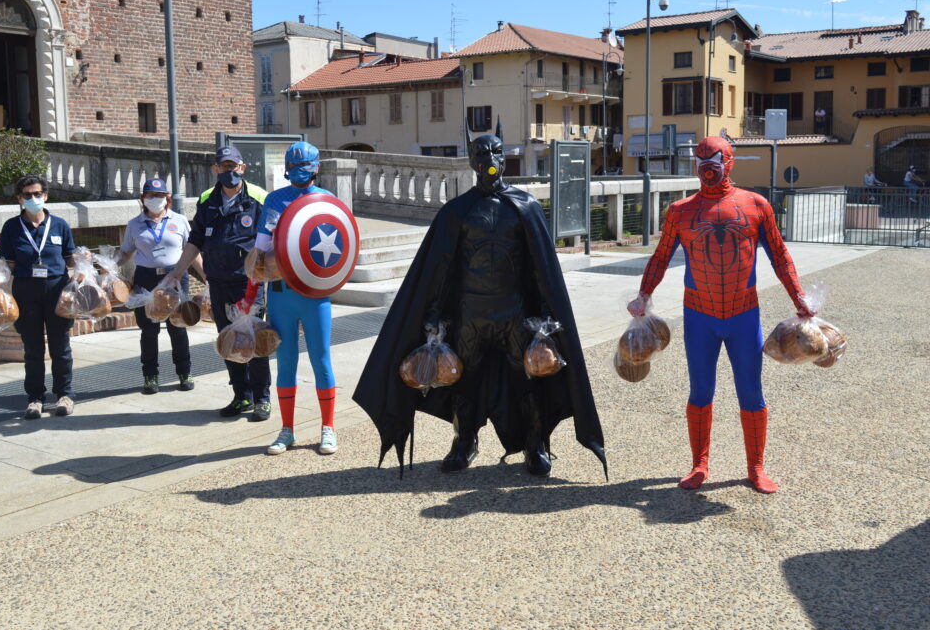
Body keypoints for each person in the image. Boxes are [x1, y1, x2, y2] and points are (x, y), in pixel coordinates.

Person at [353, 122, 606, 478]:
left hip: (515, 312)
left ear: (505, 157)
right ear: (471, 160)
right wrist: (435, 314)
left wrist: (547, 314)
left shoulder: (525, 205)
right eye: (481, 153)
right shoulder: (457, 211)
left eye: (495, 151)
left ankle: (535, 446)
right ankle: (464, 442)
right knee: (464, 381)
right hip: (470, 312)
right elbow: (440, 269)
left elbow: (540, 268)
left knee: (528, 381)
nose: (489, 158)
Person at [628, 135, 811, 495]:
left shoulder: (756, 205)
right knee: (700, 392)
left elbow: (779, 254)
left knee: (751, 392)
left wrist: (799, 297)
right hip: (700, 316)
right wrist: (643, 295)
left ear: (730, 162)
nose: (707, 168)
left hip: (743, 314)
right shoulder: (680, 211)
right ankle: (699, 464)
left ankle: (755, 468)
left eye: (715, 160)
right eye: (700, 161)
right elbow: (660, 256)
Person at [164, 145, 271, 419]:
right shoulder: (207, 200)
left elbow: (272, 242)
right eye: (224, 167)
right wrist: (177, 271)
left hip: (249, 285)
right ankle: (241, 396)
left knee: (254, 340)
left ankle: (262, 398)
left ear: (242, 168)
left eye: (233, 166)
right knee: (228, 340)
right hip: (219, 283)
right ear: (216, 169)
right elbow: (195, 241)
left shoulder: (259, 198)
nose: (229, 172)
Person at [254, 141, 340, 456]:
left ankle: (328, 427)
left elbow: (342, 247)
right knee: (285, 362)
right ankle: (287, 429)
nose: (299, 170)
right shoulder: (274, 199)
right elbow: (260, 252)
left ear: (317, 166)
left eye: (305, 164)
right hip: (280, 293)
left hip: (315, 294)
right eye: (294, 164)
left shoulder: (327, 200)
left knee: (321, 360)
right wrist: (251, 294)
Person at [0, 174, 78, 419]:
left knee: (60, 347)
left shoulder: (60, 224)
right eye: (27, 195)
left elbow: (70, 257)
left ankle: (64, 395)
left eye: (37, 194)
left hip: (57, 290)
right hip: (26, 290)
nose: (33, 199)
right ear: (19, 198)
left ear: (45, 195)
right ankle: (35, 398)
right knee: (33, 348)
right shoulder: (12, 227)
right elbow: (6, 263)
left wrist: (84, 267)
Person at [118, 178, 200, 394]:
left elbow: (192, 250)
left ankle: (184, 372)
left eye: (159, 195)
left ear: (167, 198)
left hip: (175, 276)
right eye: (150, 196)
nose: (155, 200)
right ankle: (150, 376)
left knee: (178, 327)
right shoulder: (134, 224)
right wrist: (108, 268)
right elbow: (126, 252)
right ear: (143, 199)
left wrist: (206, 276)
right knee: (148, 330)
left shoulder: (180, 220)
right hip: (146, 278)